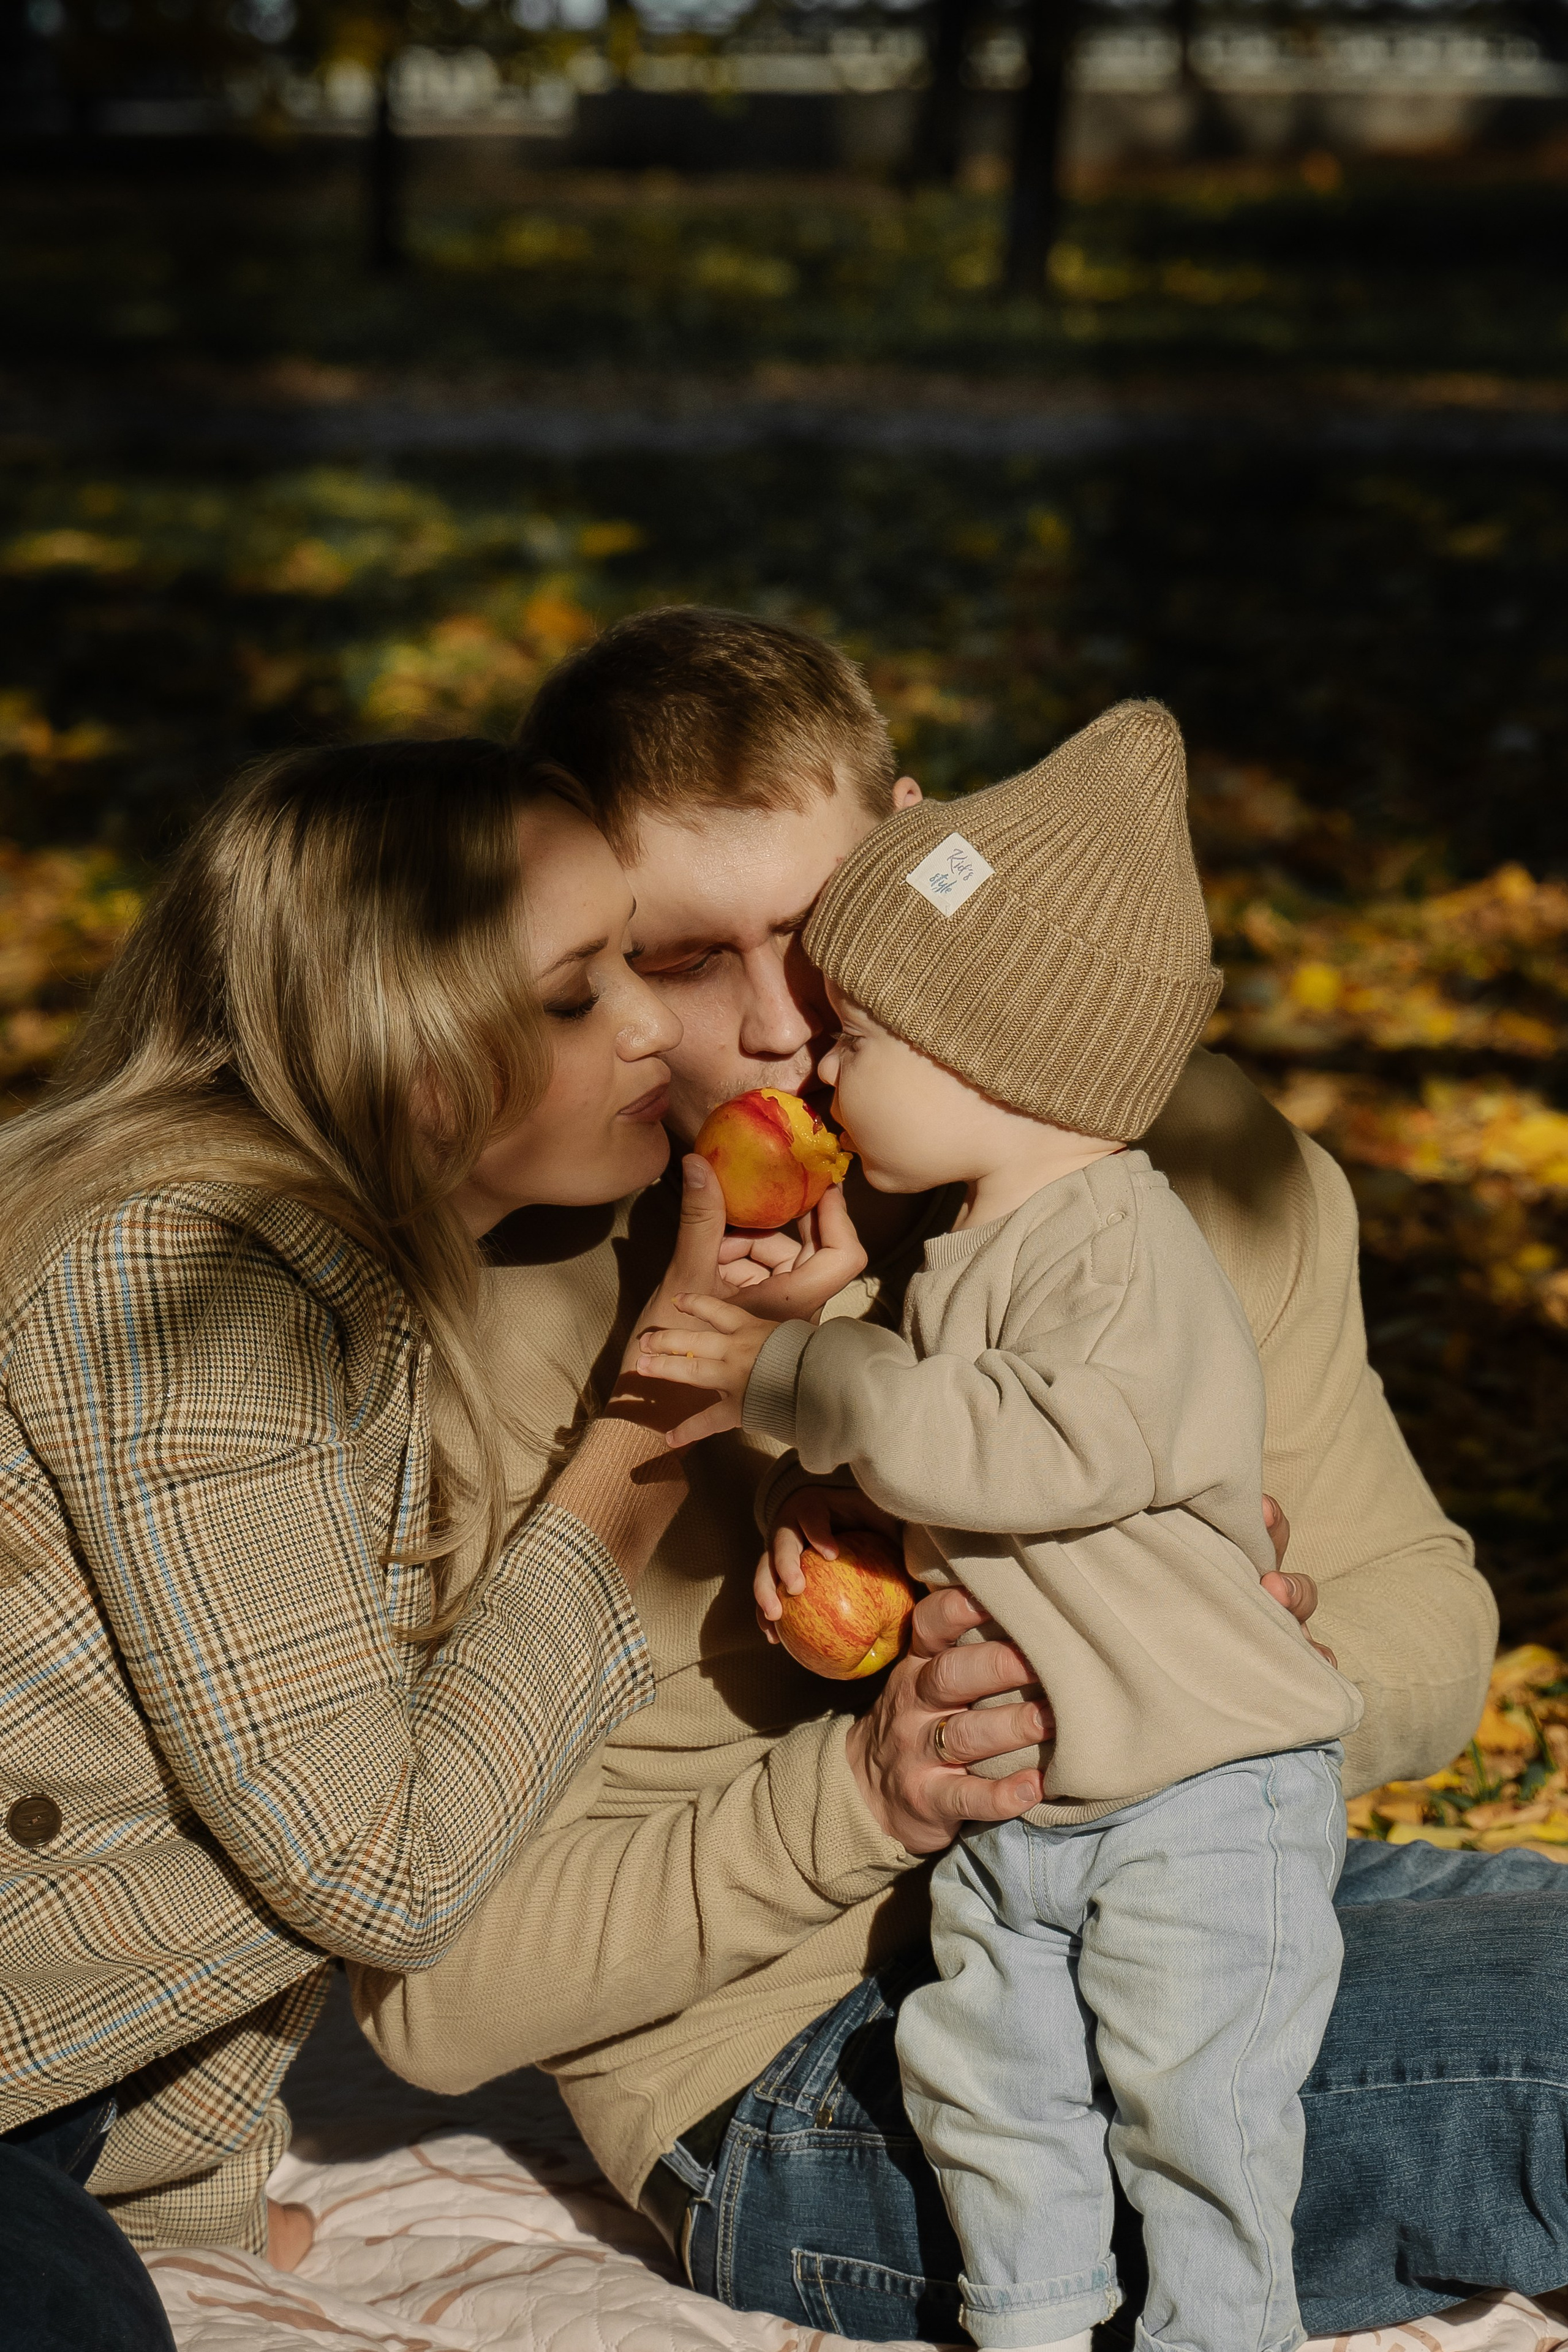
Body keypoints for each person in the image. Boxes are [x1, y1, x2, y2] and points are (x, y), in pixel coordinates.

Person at [356, 613, 1567, 2350]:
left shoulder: (1174, 1167)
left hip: (1183, 1884)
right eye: (685, 960)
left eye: (821, 937)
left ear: (918, 852)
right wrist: (877, 1787)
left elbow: (1433, 1619)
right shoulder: (514, 1299)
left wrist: (1225, 1678)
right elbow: (427, 1992)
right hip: (805, 2069)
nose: (783, 1030)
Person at [0, 737, 799, 2347]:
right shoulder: (189, 1282)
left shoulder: (348, 1271)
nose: (652, 1024)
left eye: (635, 964)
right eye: (577, 995)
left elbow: (219, 1772)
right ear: (409, 1054)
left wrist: (193, 2187)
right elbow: (376, 1861)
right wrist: (642, 1434)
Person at [638, 698, 1361, 2352]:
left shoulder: (1123, 1249)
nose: (817, 1064)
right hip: (1044, 1804)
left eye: (860, 1040)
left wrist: (795, 1375)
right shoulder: (970, 1256)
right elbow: (961, 1487)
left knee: (1201, 2108)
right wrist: (835, 1510)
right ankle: (1032, 2324)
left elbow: (1031, 1453)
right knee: (985, 2080)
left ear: (996, 1062)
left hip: (1203, 1793)